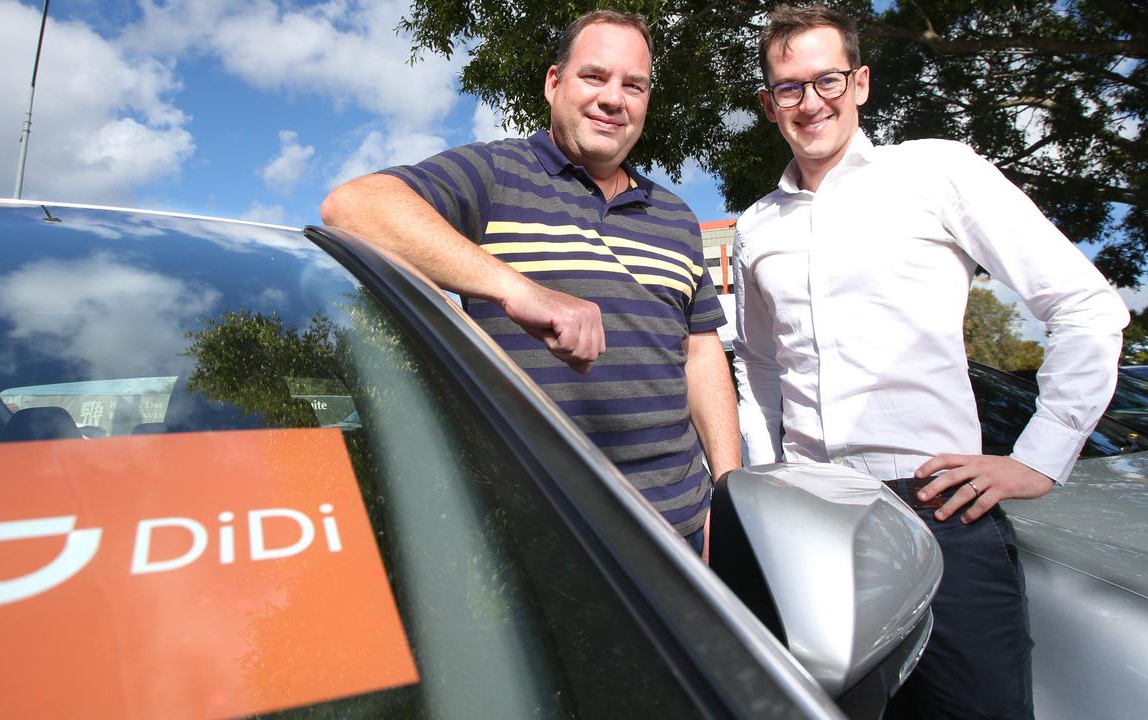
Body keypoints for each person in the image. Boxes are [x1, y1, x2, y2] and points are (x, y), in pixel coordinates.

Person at [733, 5, 1128, 718]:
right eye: (788, 88)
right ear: (769, 105)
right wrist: (764, 479)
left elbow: (1086, 306)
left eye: (827, 79)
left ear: (860, 83)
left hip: (938, 509)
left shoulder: (935, 171)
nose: (810, 101)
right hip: (812, 521)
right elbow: (760, 369)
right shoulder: (756, 227)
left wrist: (1040, 457)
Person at [321, 9, 741, 554]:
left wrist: (726, 494)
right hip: (539, 533)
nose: (613, 98)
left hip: (681, 526)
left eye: (633, 85)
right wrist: (517, 288)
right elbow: (353, 206)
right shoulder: (495, 175)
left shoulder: (676, 216)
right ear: (553, 82)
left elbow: (702, 353)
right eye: (595, 76)